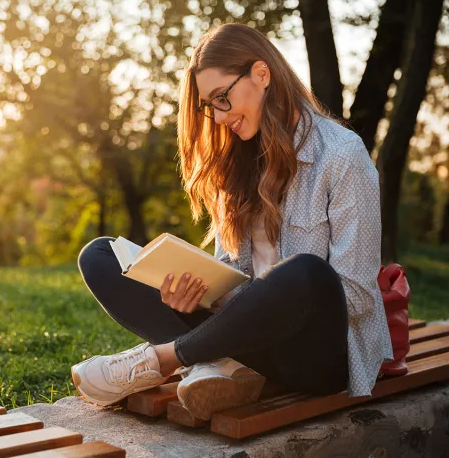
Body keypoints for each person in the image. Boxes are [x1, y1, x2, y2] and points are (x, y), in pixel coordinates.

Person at [71, 23, 393, 420]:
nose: (219, 116)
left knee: (307, 273)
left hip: (315, 356)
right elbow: (231, 272)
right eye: (210, 105)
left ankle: (165, 359)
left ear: (261, 74)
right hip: (243, 337)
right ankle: (221, 365)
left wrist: (260, 302)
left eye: (222, 97)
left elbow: (357, 294)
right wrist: (198, 291)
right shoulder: (236, 161)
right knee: (101, 256)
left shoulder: (342, 156)